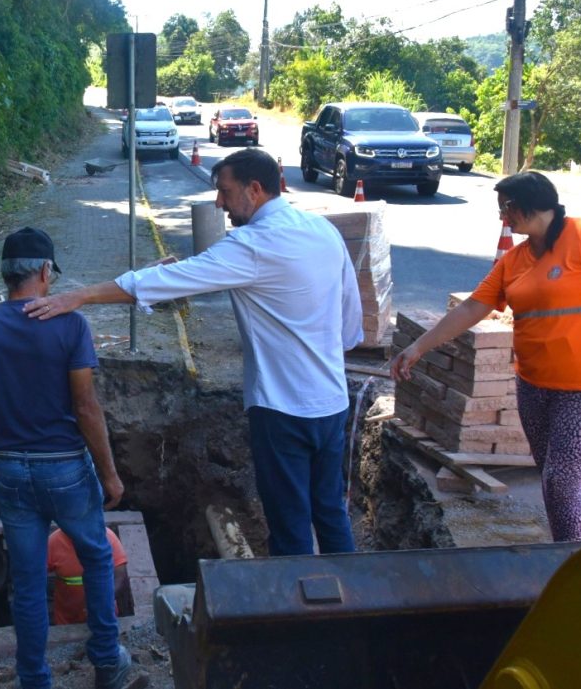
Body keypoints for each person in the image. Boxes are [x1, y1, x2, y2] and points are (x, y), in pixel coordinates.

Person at [27, 149, 363, 557]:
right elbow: (350, 324)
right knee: (330, 513)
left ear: (254, 190)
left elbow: (168, 281)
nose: (219, 203)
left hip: (283, 410)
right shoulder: (323, 231)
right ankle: (349, 607)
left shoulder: (253, 244)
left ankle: (297, 613)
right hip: (332, 403)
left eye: (224, 191)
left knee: (290, 525)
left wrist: (80, 296)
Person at [390, 172, 581, 541]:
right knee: (551, 474)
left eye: (504, 209)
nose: (502, 218)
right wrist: (417, 348)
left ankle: (567, 558)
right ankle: (560, 549)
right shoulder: (516, 260)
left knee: (560, 479)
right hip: (534, 387)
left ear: (523, 205)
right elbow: (472, 308)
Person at [0, 227, 131, 689]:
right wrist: (110, 474)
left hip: (12, 468)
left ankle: (33, 678)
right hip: (65, 468)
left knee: (30, 579)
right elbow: (85, 406)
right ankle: (107, 662)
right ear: (42, 272)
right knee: (96, 557)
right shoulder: (71, 326)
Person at [47, 528, 129, 626]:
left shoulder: (107, 537)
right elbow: (35, 577)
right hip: (66, 618)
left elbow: (120, 576)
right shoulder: (54, 541)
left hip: (104, 617)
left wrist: (103, 600)